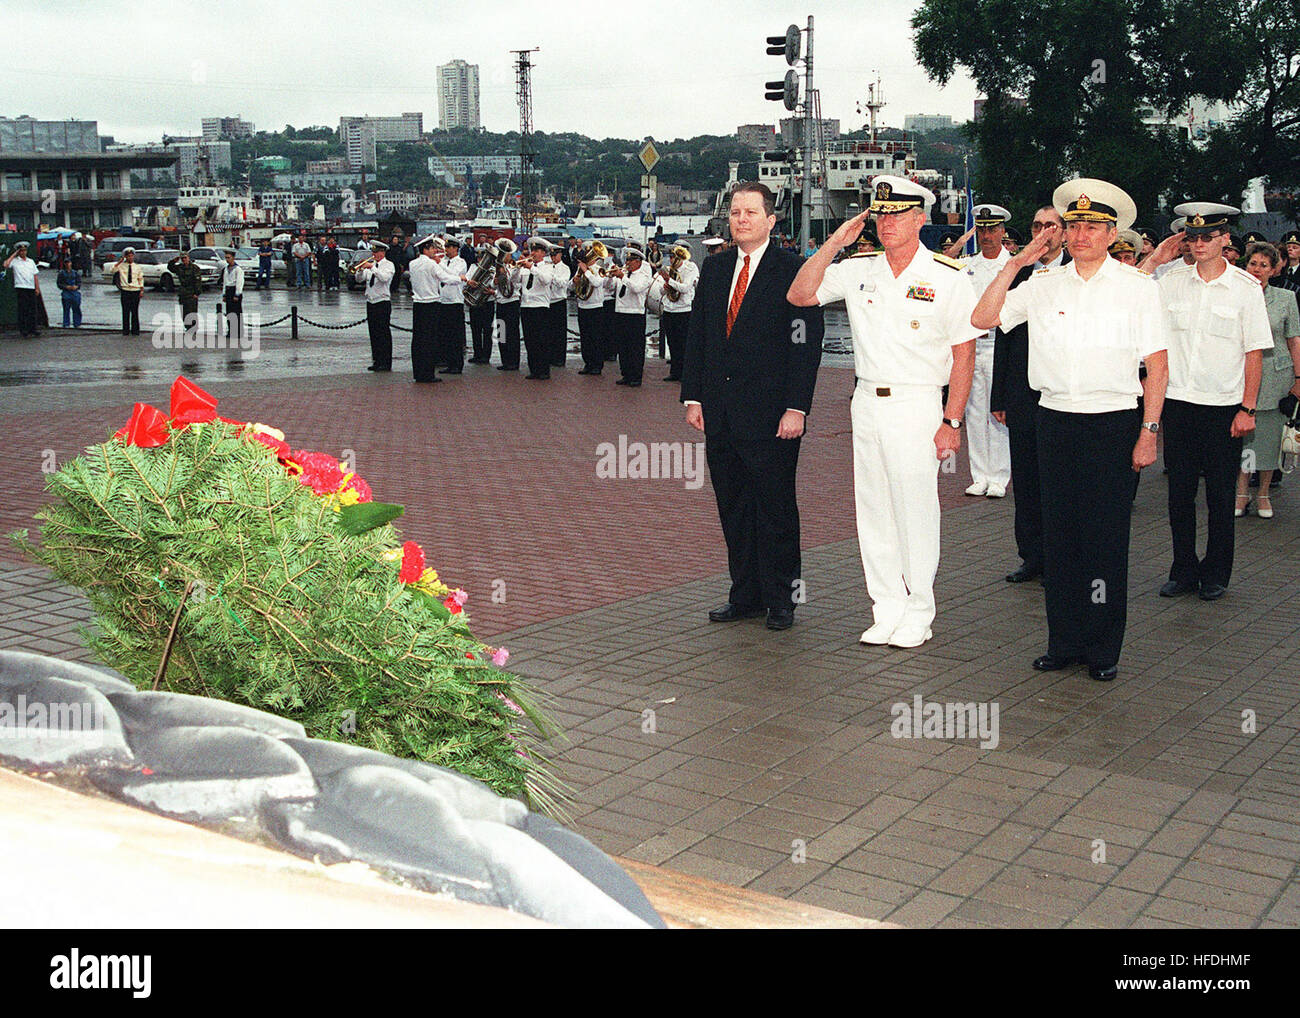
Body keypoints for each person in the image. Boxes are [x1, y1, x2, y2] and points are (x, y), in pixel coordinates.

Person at [972, 178, 1169, 682]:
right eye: (1073, 225)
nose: (1080, 234)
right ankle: (1064, 640)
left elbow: (1158, 365)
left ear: (1111, 233)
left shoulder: (1137, 288)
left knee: (1103, 539)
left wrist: (1149, 431)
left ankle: (1102, 648)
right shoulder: (1040, 286)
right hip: (1053, 419)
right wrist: (1015, 264)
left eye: (1092, 226)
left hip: (1112, 421)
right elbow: (983, 316)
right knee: (1059, 537)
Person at [790, 176, 977, 648]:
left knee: (914, 509)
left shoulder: (946, 276)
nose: (887, 223)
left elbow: (965, 354)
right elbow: (799, 294)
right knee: (873, 509)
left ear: (920, 218)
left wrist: (952, 421)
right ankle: (886, 605)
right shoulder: (858, 268)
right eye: (881, 214)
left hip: (917, 402)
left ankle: (920, 609)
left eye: (898, 214)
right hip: (867, 400)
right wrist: (835, 241)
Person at [685, 181, 824, 632]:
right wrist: (694, 396)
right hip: (721, 415)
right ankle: (745, 594)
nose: (740, 219)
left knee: (776, 508)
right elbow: (700, 337)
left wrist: (796, 408)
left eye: (750, 212)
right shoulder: (716, 267)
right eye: (734, 212)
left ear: (771, 219)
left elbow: (805, 346)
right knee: (734, 506)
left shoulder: (793, 270)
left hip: (772, 416)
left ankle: (782, 598)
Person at [1141, 202, 1270, 601]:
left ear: (1225, 240)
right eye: (1192, 237)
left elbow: (1254, 353)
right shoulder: (1169, 280)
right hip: (1178, 402)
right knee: (1179, 493)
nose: (1198, 244)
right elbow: (1130, 287)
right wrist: (1155, 256)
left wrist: (1248, 408)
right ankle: (1183, 570)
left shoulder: (1245, 288)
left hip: (1223, 407)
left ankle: (1215, 573)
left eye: (1207, 237)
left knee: (1218, 494)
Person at [991, 205, 1069, 583]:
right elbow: (1002, 339)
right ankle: (1032, 556)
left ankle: (1061, 559)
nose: (1042, 232)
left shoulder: (1077, 273)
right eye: (1037, 225)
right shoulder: (1019, 275)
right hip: (1023, 395)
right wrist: (998, 398)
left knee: (1060, 482)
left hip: (1065, 395)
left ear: (1065, 233)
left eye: (1050, 226)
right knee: (1026, 480)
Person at [1236, 241, 1300, 518]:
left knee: (1269, 439)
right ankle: (1241, 493)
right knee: (1243, 439)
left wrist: (1299, 380)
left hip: (1276, 377)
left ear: (1274, 270)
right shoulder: (1234, 294)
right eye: (1253, 263)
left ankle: (1263, 493)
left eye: (1264, 265)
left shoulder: (1286, 299)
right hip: (1241, 375)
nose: (1257, 269)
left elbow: (1294, 340)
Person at [961, 204, 1014, 498]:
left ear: (1003, 231)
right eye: (982, 229)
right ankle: (979, 474)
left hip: (998, 346)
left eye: (992, 229)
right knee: (974, 411)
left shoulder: (1012, 266)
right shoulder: (969, 266)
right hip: (974, 347)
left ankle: (999, 476)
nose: (987, 235)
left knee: (998, 412)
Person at [609, 245, 652, 386]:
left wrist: (622, 276)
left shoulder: (644, 276)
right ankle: (626, 373)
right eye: (627, 260)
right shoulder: (624, 273)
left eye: (631, 261)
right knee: (623, 346)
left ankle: (636, 376)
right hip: (621, 312)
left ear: (638, 262)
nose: (627, 263)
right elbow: (610, 288)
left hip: (635, 314)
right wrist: (610, 277)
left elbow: (636, 288)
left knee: (635, 347)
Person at [658, 243, 699, 382]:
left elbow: (685, 288)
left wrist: (670, 281)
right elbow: (661, 291)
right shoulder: (669, 270)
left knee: (684, 343)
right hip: (669, 309)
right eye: (670, 257)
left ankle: (685, 373)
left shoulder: (690, 268)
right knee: (672, 343)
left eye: (673, 257)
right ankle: (675, 372)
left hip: (683, 310)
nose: (671, 260)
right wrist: (665, 286)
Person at [516, 238, 554, 379]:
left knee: (542, 340)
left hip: (540, 307)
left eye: (537, 251)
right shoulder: (526, 267)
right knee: (530, 340)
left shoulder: (548, 267)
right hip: (526, 306)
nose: (534, 253)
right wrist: (516, 268)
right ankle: (534, 370)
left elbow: (546, 280)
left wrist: (532, 268)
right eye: (533, 250)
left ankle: (544, 370)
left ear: (543, 253)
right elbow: (515, 281)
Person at [407, 235, 443, 384]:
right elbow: (445, 277)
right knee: (430, 341)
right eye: (432, 248)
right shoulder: (432, 264)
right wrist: (461, 278)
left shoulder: (412, 264)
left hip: (418, 305)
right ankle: (428, 373)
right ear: (426, 249)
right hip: (431, 304)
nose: (435, 250)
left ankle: (419, 373)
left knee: (418, 340)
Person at [573, 244, 612, 375]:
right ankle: (588, 363)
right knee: (585, 338)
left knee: (596, 337)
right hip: (583, 306)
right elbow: (570, 287)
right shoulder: (581, 270)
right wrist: (575, 281)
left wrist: (586, 271)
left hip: (595, 307)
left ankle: (597, 365)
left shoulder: (599, 269)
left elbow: (596, 283)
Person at [355, 241, 394, 371]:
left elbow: (384, 278)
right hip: (371, 301)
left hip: (382, 301)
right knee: (374, 333)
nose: (374, 254)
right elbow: (359, 279)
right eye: (373, 252)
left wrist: (372, 267)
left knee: (383, 334)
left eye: (376, 252)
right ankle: (377, 360)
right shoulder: (372, 266)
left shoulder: (388, 265)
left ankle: (386, 362)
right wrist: (360, 270)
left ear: (383, 252)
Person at [432, 237, 468, 374]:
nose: (446, 250)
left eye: (449, 248)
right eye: (445, 248)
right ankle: (447, 362)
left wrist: (439, 263)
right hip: (443, 301)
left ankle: (457, 365)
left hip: (455, 302)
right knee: (445, 335)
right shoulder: (444, 261)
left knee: (455, 336)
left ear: (455, 249)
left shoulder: (461, 262)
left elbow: (452, 276)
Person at [466, 243, 496, 365]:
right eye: (478, 258)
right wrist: (470, 282)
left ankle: (486, 356)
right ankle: (477, 354)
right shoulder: (473, 267)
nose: (480, 260)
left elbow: (494, 283)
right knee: (475, 329)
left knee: (487, 330)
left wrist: (490, 289)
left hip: (487, 302)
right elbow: (468, 279)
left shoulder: (493, 270)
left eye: (482, 258)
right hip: (475, 303)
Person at [4, 241, 41, 338]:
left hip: (31, 287)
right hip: (21, 287)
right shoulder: (15, 261)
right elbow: (6, 264)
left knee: (32, 309)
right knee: (23, 309)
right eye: (21, 251)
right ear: (18, 252)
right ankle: (24, 329)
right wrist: (14, 254)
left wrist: (37, 288)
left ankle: (33, 329)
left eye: (24, 250)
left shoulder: (30, 261)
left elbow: (35, 275)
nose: (23, 253)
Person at [494, 246, 522, 371]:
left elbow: (514, 281)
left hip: (512, 302)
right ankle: (505, 361)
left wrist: (507, 272)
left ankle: (513, 362)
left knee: (512, 334)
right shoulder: (497, 269)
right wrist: (495, 280)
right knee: (501, 334)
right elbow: (492, 285)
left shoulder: (514, 268)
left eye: (507, 254)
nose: (506, 256)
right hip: (500, 302)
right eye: (503, 254)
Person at [168, 250, 204, 345]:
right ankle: (187, 327)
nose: (184, 260)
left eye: (185, 258)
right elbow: (170, 267)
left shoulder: (194, 268)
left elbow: (198, 281)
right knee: (184, 312)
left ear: (188, 258)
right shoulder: (180, 267)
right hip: (183, 292)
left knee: (192, 311)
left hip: (192, 291)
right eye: (182, 258)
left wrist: (197, 293)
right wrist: (174, 260)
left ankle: (193, 329)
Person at [547, 241, 572, 367]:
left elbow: (563, 284)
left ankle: (559, 358)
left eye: (555, 255)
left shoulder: (565, 268)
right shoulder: (548, 266)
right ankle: (550, 356)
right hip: (548, 302)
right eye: (551, 256)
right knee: (549, 332)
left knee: (559, 332)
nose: (553, 258)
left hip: (559, 302)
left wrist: (552, 277)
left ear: (560, 255)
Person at [113, 247, 144, 335]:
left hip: (135, 290)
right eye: (128, 256)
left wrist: (141, 290)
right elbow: (112, 270)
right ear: (125, 257)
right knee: (125, 311)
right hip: (126, 290)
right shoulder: (121, 266)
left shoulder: (137, 267)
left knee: (135, 311)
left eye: (131, 256)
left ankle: (135, 330)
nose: (130, 258)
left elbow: (140, 278)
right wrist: (119, 262)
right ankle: (125, 330)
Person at [220, 249, 245, 342]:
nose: (227, 259)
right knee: (229, 312)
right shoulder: (226, 269)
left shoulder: (238, 269)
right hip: (228, 290)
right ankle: (231, 331)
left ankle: (238, 332)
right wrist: (224, 294)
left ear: (233, 258)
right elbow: (225, 282)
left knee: (236, 312)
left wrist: (237, 294)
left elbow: (239, 283)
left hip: (235, 291)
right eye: (226, 258)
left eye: (228, 258)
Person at [56, 256, 82, 329]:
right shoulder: (61, 273)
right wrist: (66, 287)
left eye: (69, 262)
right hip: (66, 293)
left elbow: (79, 283)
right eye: (66, 263)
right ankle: (66, 323)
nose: (67, 264)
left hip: (75, 293)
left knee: (76, 308)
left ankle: (77, 323)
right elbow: (59, 284)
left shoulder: (76, 273)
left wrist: (76, 287)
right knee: (66, 309)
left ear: (71, 263)